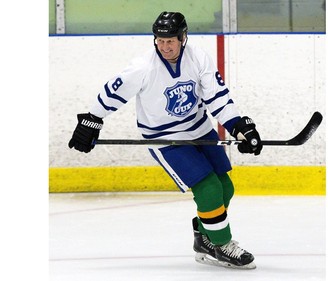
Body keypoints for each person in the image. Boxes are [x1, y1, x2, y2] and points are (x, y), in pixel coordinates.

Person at [68, 11, 263, 269]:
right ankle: (222, 244)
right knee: (209, 189)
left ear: (183, 37)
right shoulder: (143, 66)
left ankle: (204, 238)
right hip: (165, 139)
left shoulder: (198, 58)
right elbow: (113, 93)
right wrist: (92, 120)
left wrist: (238, 126)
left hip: (199, 129)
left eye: (170, 40)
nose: (165, 46)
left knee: (226, 188)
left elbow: (217, 97)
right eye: (159, 40)